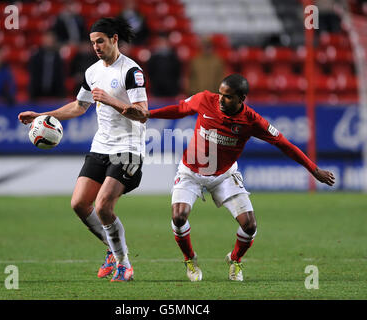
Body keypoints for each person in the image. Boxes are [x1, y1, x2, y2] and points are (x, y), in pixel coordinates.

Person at [125, 74, 335, 282]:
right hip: (190, 172)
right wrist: (148, 114)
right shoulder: (205, 99)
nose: (221, 99)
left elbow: (283, 144)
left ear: (241, 98)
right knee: (178, 216)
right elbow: (181, 109)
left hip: (224, 175)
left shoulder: (252, 121)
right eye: (220, 93)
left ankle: (235, 260)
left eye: (227, 96)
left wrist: (314, 169)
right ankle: (190, 259)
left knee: (250, 225)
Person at [18, 17, 148, 282]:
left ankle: (124, 265)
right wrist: (41, 116)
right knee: (79, 203)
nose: (96, 47)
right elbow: (79, 106)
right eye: (92, 42)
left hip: (128, 148)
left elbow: (143, 114)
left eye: (100, 41)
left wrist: (111, 100)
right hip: (101, 146)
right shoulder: (92, 72)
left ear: (114, 39)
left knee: (103, 207)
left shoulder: (131, 71)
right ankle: (113, 250)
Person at [28, 31, 66, 101]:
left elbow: (60, 76)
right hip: (37, 93)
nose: (49, 41)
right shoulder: (36, 55)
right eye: (47, 39)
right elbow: (33, 75)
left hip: (55, 93)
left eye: (50, 39)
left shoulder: (58, 57)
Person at [146, 33, 182, 98]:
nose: (162, 44)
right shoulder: (153, 57)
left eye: (164, 42)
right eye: (160, 42)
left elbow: (177, 72)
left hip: (171, 88)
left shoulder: (173, 57)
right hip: (157, 88)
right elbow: (150, 72)